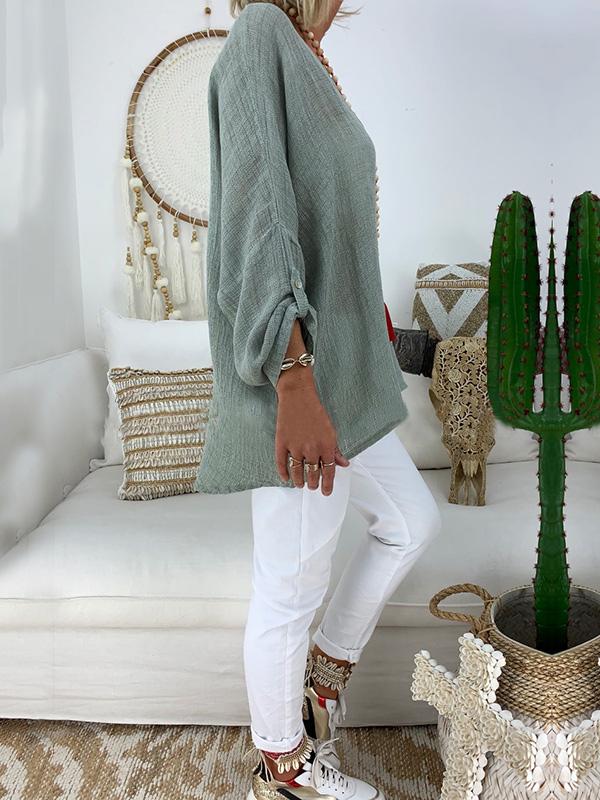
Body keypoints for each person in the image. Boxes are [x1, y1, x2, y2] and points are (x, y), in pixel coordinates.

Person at [193, 1, 443, 797]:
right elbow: (257, 217)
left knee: (412, 521)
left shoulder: (307, 57)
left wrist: (364, 318)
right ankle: (284, 765)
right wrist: (293, 374)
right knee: (291, 581)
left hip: (340, 375)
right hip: (299, 384)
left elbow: (325, 221)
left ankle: (321, 681)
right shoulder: (261, 35)